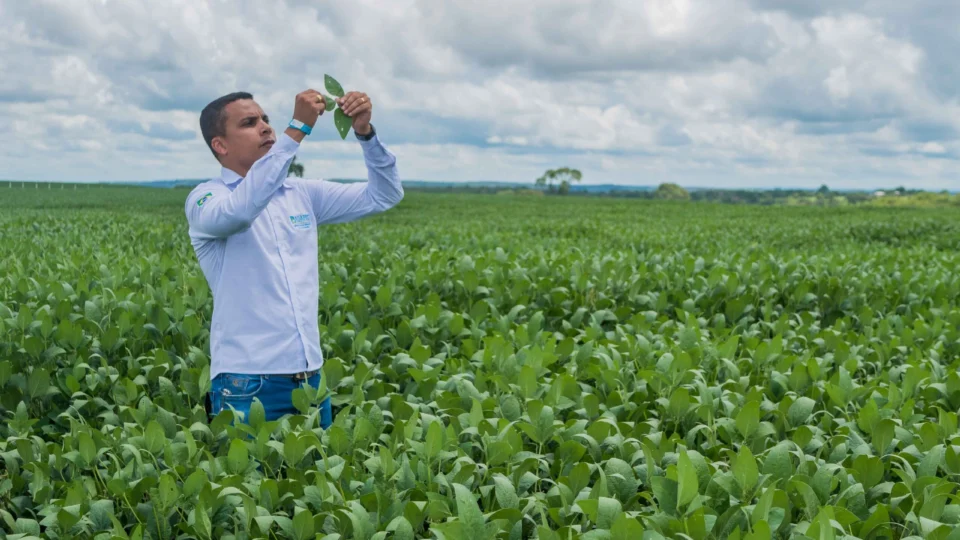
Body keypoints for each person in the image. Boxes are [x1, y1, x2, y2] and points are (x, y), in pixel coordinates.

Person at [184, 88, 403, 428]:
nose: (267, 128)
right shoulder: (207, 199)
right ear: (221, 146)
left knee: (322, 480)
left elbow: (384, 194)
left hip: (310, 381)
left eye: (266, 119)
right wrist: (298, 127)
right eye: (249, 122)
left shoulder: (300, 194)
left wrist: (366, 134)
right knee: (246, 482)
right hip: (245, 384)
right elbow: (241, 212)